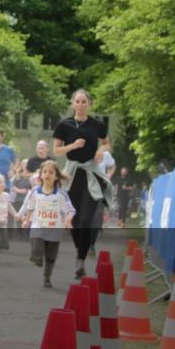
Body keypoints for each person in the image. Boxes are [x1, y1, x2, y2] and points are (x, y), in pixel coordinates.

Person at [52, 89, 112, 280]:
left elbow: (106, 143)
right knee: (75, 221)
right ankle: (81, 248)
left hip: (91, 174)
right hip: (71, 175)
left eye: (84, 101)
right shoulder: (64, 125)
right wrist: (73, 146)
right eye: (77, 101)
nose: (80, 104)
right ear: (73, 103)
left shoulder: (97, 125)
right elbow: (57, 151)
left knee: (86, 221)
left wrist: (101, 150)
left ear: (89, 104)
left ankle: (80, 261)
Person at [19, 160, 75, 288]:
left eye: (51, 172)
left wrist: (68, 220)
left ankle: (47, 278)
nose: (47, 174)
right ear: (41, 175)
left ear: (56, 176)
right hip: (38, 226)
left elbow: (71, 210)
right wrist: (27, 220)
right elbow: (30, 207)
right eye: (45, 172)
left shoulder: (61, 195)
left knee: (50, 257)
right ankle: (37, 256)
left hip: (55, 230)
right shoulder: (35, 192)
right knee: (36, 250)